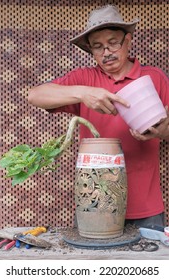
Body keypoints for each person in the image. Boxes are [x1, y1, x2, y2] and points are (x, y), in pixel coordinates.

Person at [28, 5, 169, 228]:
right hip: (94, 205)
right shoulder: (84, 78)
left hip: (145, 209)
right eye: (98, 46)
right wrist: (83, 93)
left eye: (113, 42)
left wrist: (164, 132)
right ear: (91, 51)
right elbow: (35, 95)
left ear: (128, 40)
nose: (106, 52)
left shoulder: (154, 78)